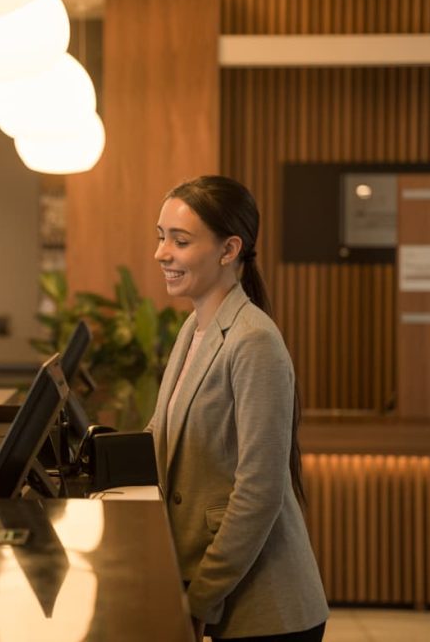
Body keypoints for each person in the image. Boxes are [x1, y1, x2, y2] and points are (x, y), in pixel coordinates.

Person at [146, 175, 329, 641]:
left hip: (265, 609)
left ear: (229, 250)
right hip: (216, 588)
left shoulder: (253, 341)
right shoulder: (194, 328)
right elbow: (160, 435)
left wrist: (201, 596)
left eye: (180, 241)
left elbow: (259, 491)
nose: (162, 253)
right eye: (161, 237)